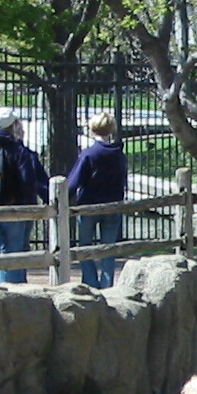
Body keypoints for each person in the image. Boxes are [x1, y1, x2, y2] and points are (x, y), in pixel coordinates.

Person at [0, 108, 47, 284]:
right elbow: (27, 182)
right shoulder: (19, 151)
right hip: (13, 209)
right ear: (13, 126)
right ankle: (12, 296)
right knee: (13, 255)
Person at [67, 111, 129, 288]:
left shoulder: (89, 154)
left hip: (88, 206)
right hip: (113, 206)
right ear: (112, 130)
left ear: (92, 130)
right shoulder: (119, 154)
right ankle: (107, 284)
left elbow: (74, 182)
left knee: (85, 247)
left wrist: (62, 197)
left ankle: (90, 282)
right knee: (109, 249)